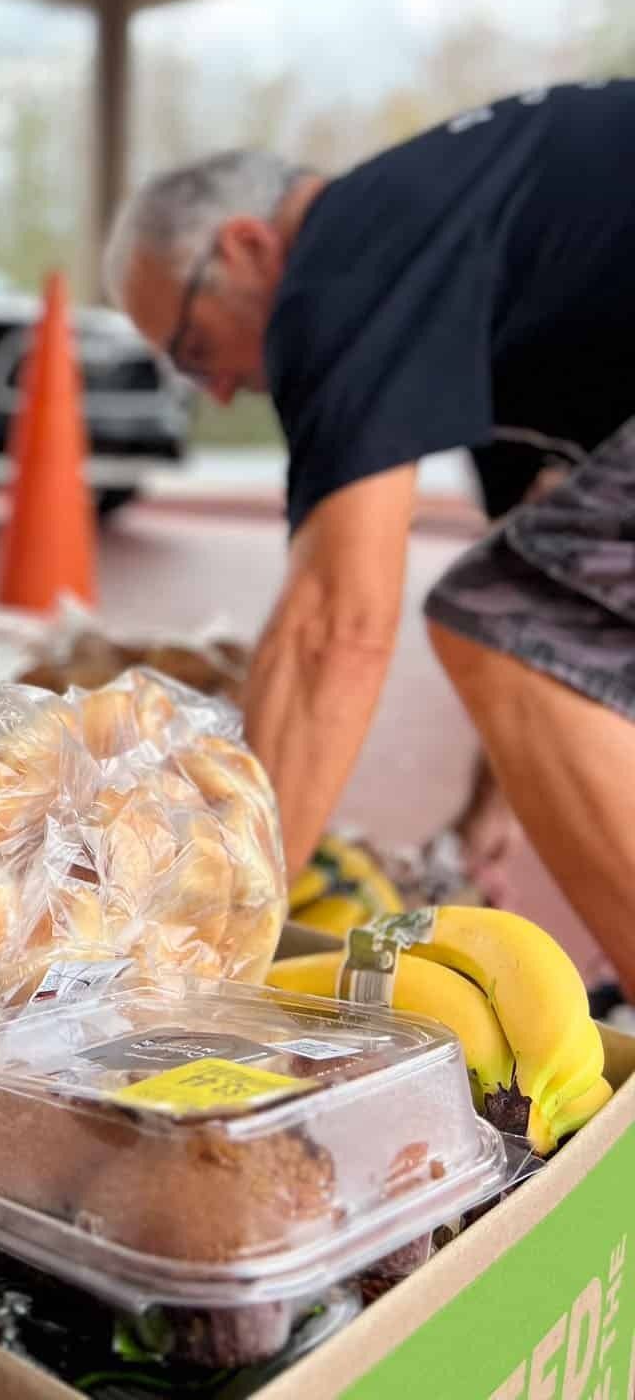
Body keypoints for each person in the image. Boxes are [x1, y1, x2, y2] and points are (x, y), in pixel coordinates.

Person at [104, 82, 635, 993]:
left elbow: (333, 630)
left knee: (477, 620)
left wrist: (201, 953)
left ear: (246, 245)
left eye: (192, 348)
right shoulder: (468, 263)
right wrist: (486, 810)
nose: (218, 390)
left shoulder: (343, 258)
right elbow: (545, 600)